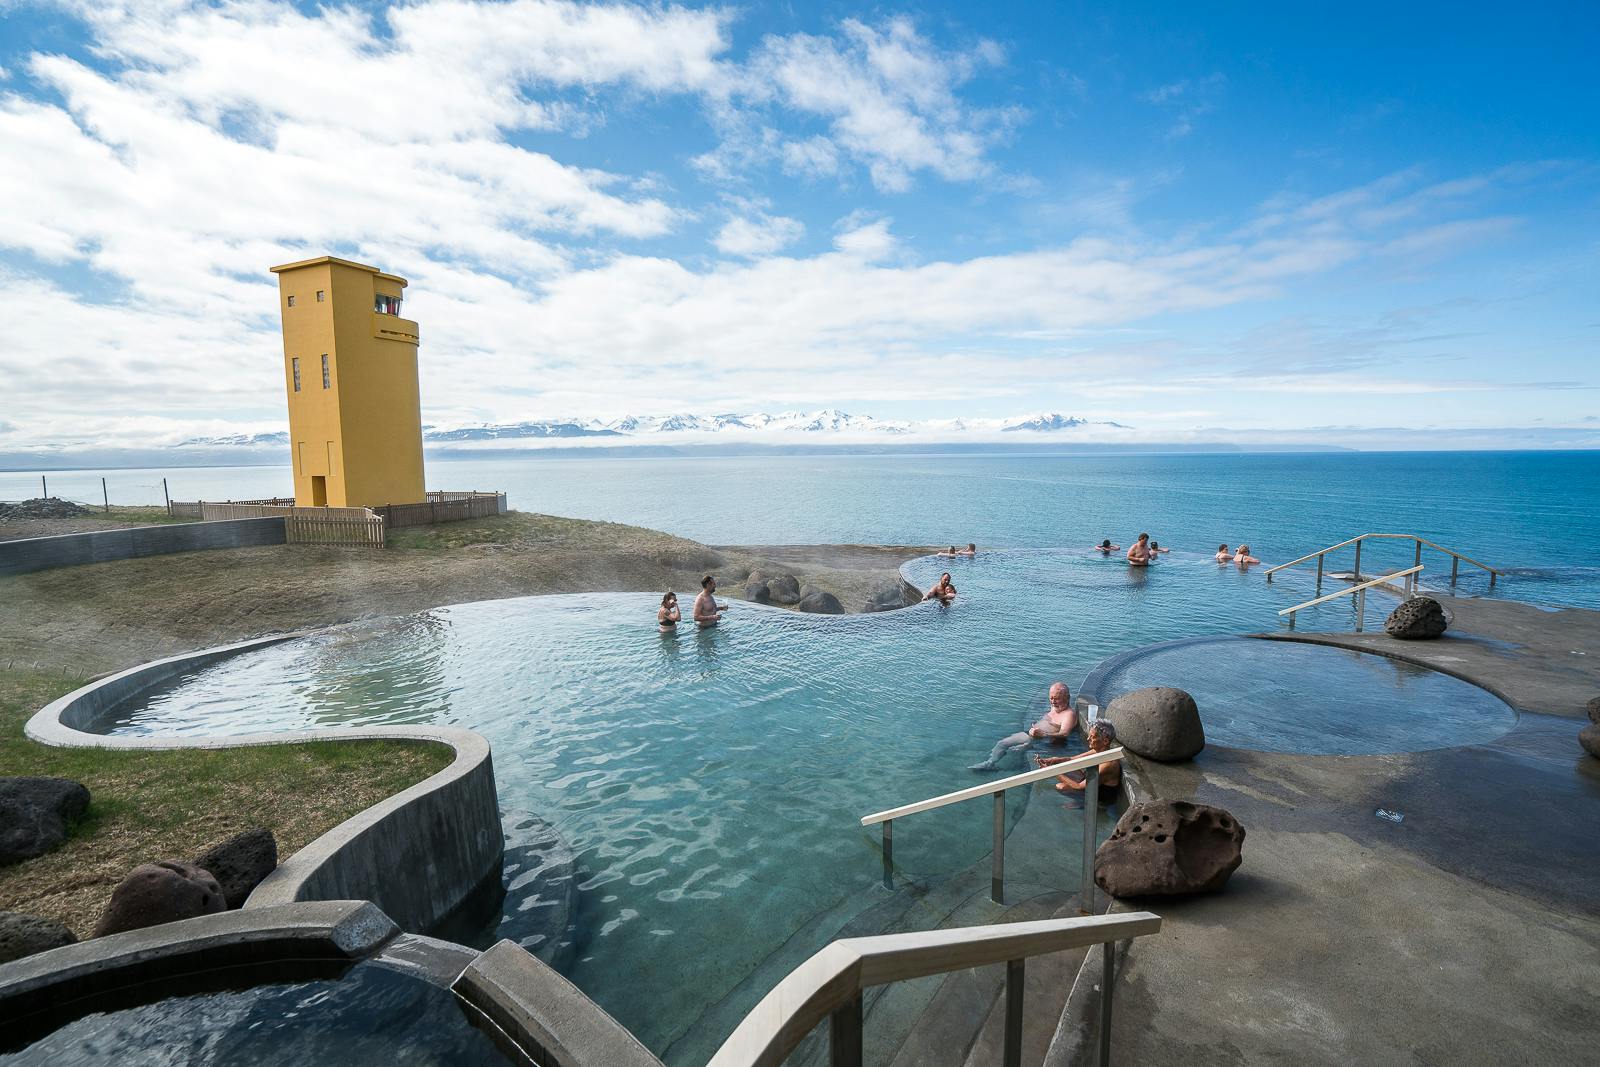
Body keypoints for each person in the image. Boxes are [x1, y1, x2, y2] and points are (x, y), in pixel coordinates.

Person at [970, 682, 1077, 771]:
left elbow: (1064, 733)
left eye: (1057, 699)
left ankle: (1009, 769)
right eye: (1051, 698)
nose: (1053, 702)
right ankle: (990, 763)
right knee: (1002, 743)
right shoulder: (1056, 706)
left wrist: (1043, 735)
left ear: (1067, 698)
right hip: (1032, 735)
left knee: (1015, 750)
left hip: (1044, 740)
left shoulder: (1069, 714)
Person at [1037, 719, 1122, 799]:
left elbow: (1079, 787)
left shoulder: (1109, 764)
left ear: (1105, 741)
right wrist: (1053, 760)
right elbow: (1072, 759)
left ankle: (1082, 804)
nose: (1088, 739)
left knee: (1061, 787)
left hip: (1099, 797)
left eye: (1092, 737)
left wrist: (1051, 771)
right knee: (1066, 767)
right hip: (1090, 783)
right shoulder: (1098, 751)